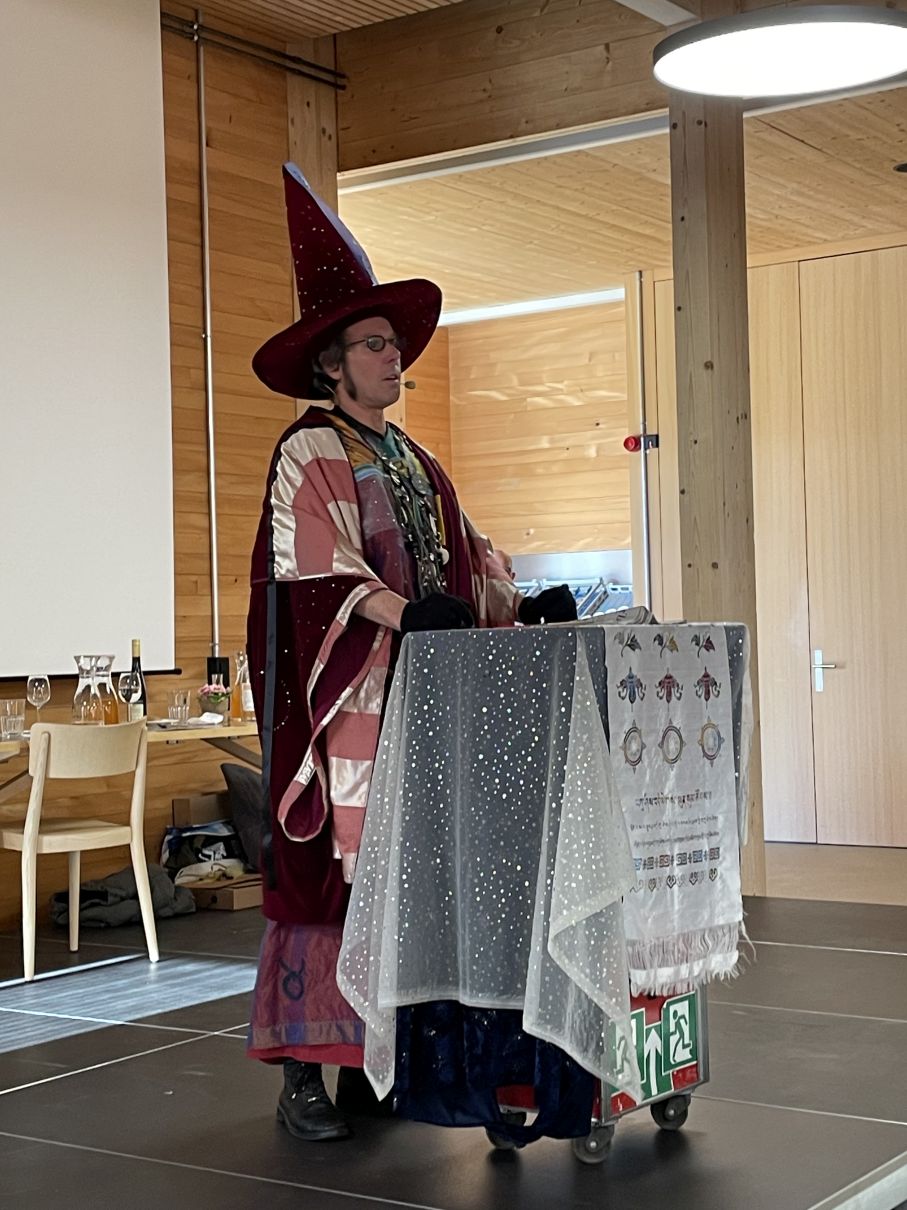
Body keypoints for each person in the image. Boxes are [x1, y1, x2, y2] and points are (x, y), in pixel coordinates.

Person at [245, 164, 577, 1142]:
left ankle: (380, 1064)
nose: (395, 357)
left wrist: (519, 600)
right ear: (331, 364)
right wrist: (400, 613)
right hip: (350, 706)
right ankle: (304, 1075)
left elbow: (466, 561)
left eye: (394, 344)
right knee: (333, 884)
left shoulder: (418, 460)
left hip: (429, 705)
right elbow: (313, 576)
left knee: (411, 883)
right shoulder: (310, 452)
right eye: (375, 344)